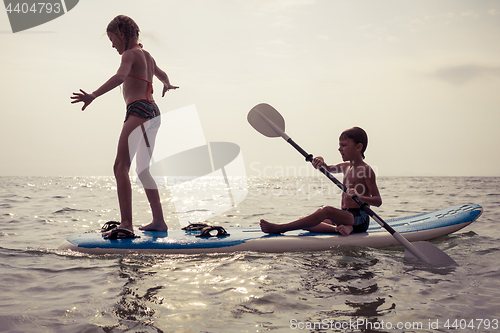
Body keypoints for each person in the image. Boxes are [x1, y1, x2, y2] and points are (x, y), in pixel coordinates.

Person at [71, 15, 178, 238]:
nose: (112, 45)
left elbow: (120, 76)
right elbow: (163, 75)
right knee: (143, 169)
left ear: (121, 33)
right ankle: (159, 221)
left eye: (112, 39)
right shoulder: (147, 56)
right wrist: (166, 84)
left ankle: (127, 224)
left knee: (120, 167)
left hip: (138, 110)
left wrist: (93, 95)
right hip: (154, 113)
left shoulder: (130, 54)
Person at [260, 127, 382, 236]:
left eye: (344, 145)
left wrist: (359, 196)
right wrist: (320, 160)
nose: (339, 149)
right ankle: (340, 229)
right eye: (339, 145)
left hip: (360, 218)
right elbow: (326, 168)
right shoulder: (346, 166)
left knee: (326, 210)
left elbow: (378, 200)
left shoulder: (366, 170)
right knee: (308, 221)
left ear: (358, 147)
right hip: (345, 215)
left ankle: (281, 228)